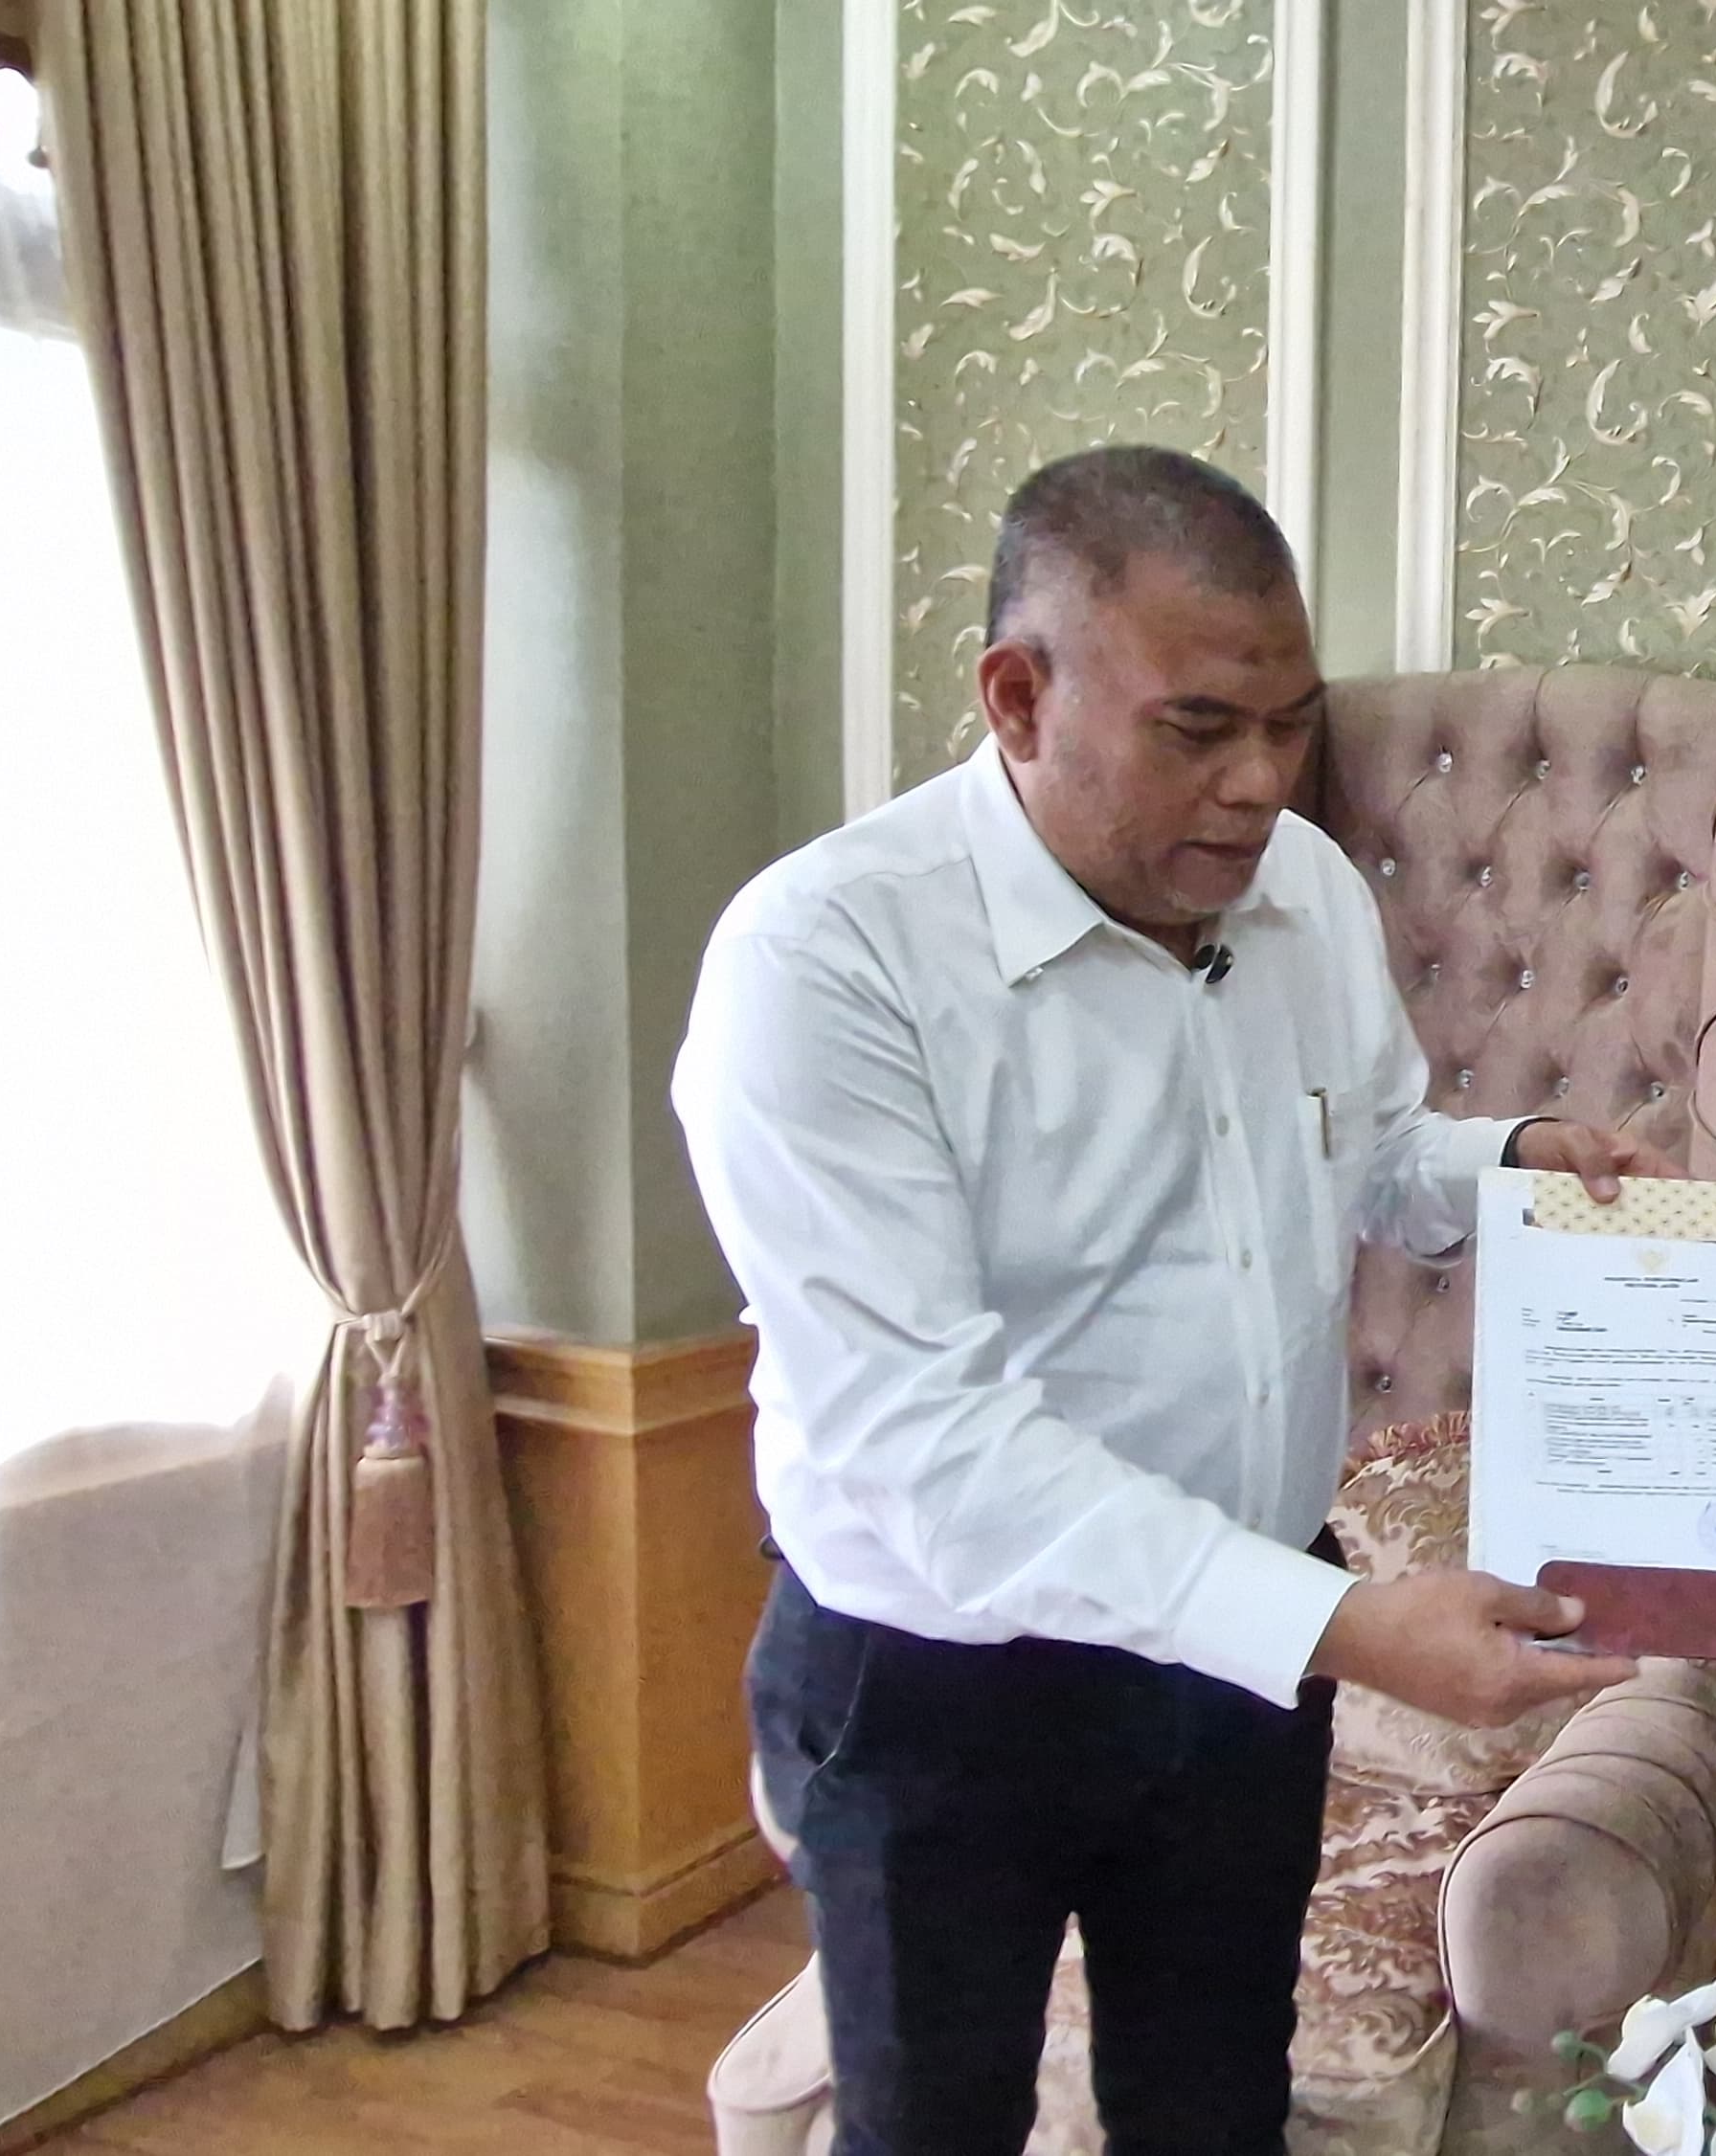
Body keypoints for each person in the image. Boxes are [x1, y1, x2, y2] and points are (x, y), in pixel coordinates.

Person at [674, 446, 1660, 2156]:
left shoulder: (1305, 889)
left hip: (1240, 1669)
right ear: (1017, 696)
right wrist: (1345, 1629)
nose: (1258, 783)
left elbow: (1365, 1154)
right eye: (1197, 730)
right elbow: (929, 1446)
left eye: (1288, 726)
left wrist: (1513, 1161)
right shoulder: (823, 961)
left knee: (1211, 2109)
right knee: (929, 2129)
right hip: (943, 1684)